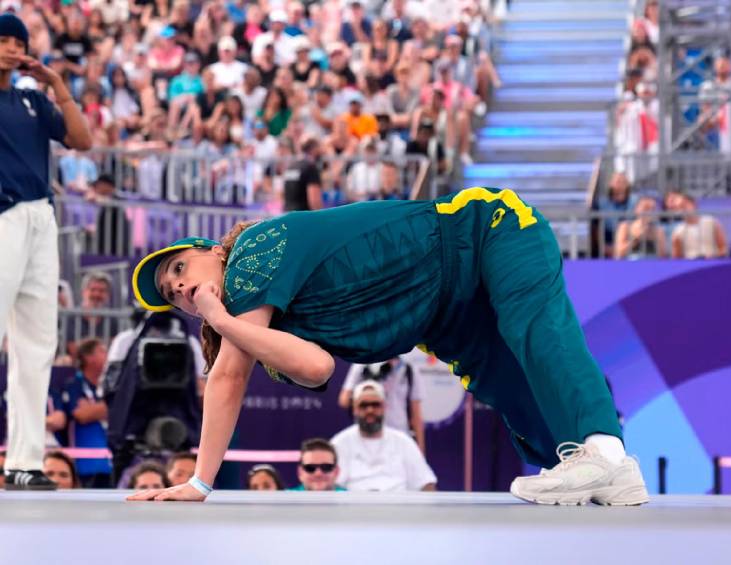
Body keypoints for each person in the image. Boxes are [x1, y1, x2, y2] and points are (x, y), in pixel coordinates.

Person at [127, 185, 649, 506]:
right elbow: (314, 368)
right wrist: (226, 323)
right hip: (445, 317)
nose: (178, 288)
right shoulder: (257, 329)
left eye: (178, 269)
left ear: (212, 251)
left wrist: (199, 483)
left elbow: (229, 377)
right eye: (174, 296)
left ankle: (602, 448)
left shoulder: (253, 249)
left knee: (535, 332)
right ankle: (605, 472)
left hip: (481, 232)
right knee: (511, 389)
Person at [1, 13, 92, 490]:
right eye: (4, 39)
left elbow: (82, 140)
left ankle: (25, 461)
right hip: (2, 216)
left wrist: (58, 85)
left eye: (18, 41)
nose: (12, 47)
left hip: (40, 214)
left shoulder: (34, 98)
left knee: (36, 345)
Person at [332, 380, 436, 492]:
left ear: (384, 407)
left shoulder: (404, 442)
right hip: (353, 507)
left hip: (399, 507)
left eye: (375, 405)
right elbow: (333, 485)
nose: (370, 410)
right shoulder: (340, 443)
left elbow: (426, 483)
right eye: (364, 405)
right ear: (354, 409)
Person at [339, 357, 425, 453]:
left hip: (399, 436)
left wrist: (420, 451)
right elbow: (344, 400)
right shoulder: (363, 364)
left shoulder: (409, 369)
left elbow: (416, 415)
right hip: (367, 434)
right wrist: (369, 384)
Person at [60, 338, 113, 487]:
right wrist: (107, 408)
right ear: (88, 358)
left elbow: (117, 411)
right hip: (85, 462)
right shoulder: (75, 384)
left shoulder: (108, 385)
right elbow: (81, 415)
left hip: (108, 460)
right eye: (102, 351)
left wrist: (93, 409)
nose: (107, 355)